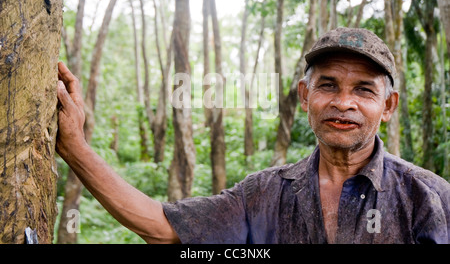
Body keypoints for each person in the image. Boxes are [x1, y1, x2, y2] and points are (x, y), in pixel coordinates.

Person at [56, 27, 450, 244]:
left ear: (389, 106)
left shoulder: (429, 197)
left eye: (364, 90)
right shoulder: (264, 194)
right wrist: (75, 148)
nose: (343, 102)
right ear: (304, 96)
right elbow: (163, 228)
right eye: (328, 85)